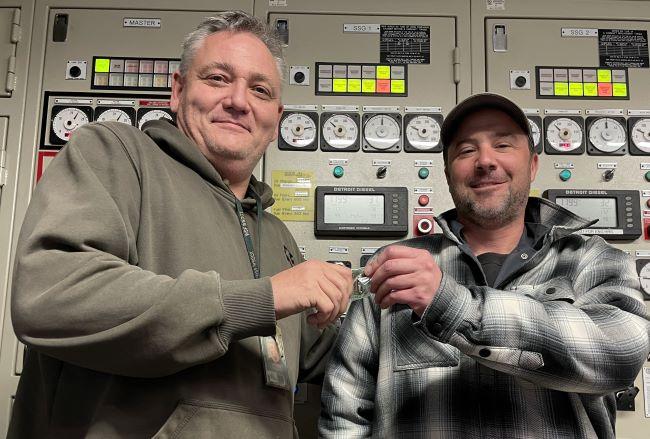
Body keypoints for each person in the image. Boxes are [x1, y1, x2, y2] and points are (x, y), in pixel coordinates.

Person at [9, 11, 352, 438]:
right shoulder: (115, 154)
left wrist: (402, 303)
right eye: (218, 79)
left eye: (259, 90)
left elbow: (316, 356)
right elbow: (50, 297)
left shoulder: (276, 233)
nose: (239, 101)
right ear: (177, 90)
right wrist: (264, 298)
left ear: (276, 119)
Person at [319, 93, 650, 438]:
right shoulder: (393, 267)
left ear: (533, 164)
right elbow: (344, 416)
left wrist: (450, 305)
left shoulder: (591, 260)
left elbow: (622, 354)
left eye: (503, 145)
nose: (485, 161)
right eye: (466, 150)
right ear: (447, 173)